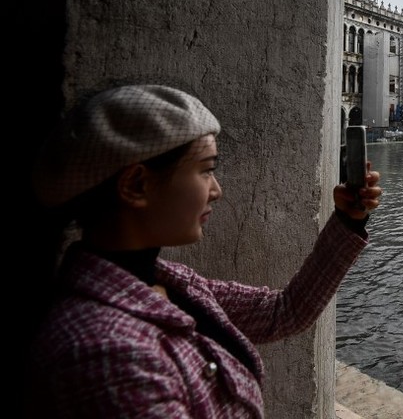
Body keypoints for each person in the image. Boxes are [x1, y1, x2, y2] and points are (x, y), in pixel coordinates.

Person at [24, 84, 381, 417]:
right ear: (136, 184)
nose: (216, 190)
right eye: (206, 170)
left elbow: (283, 311)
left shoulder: (172, 283)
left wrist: (348, 221)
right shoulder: (105, 358)